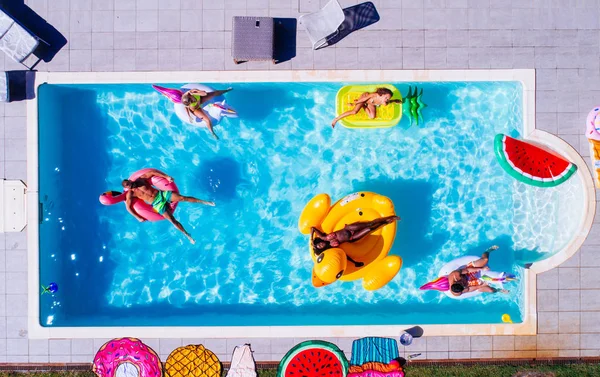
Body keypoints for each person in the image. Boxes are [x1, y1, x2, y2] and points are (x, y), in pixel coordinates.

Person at [122, 169, 215, 244]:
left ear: (130, 180)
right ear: (127, 188)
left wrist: (166, 176)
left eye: (129, 183)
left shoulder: (140, 180)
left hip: (161, 194)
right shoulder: (131, 194)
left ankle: (205, 202)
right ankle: (187, 235)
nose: (130, 185)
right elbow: (128, 207)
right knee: (172, 220)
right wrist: (138, 217)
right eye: (128, 186)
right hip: (156, 204)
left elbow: (152, 172)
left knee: (183, 198)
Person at [310, 215, 400, 267]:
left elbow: (313, 228)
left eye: (319, 244)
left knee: (370, 223)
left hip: (348, 229)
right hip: (352, 238)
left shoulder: (324, 237)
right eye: (320, 247)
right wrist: (354, 263)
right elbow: (345, 255)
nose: (321, 244)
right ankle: (386, 222)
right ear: (323, 248)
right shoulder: (331, 248)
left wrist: (311, 240)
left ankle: (389, 218)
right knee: (368, 229)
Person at [448, 245, 515, 296]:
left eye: (461, 283)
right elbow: (468, 289)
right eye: (463, 286)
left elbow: (468, 270)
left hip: (468, 273)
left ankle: (488, 251)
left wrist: (481, 268)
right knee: (491, 290)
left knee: (485, 260)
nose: (463, 284)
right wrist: (481, 285)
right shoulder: (457, 292)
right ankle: (499, 290)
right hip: (470, 283)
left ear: (456, 282)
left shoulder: (455, 275)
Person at [331, 87, 403, 128]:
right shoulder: (374, 95)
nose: (387, 99)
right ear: (382, 94)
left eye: (388, 98)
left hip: (370, 104)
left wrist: (395, 100)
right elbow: (363, 99)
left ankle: (363, 106)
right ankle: (336, 119)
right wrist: (354, 103)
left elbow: (388, 102)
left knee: (372, 116)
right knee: (354, 112)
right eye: (386, 97)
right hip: (364, 98)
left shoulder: (384, 102)